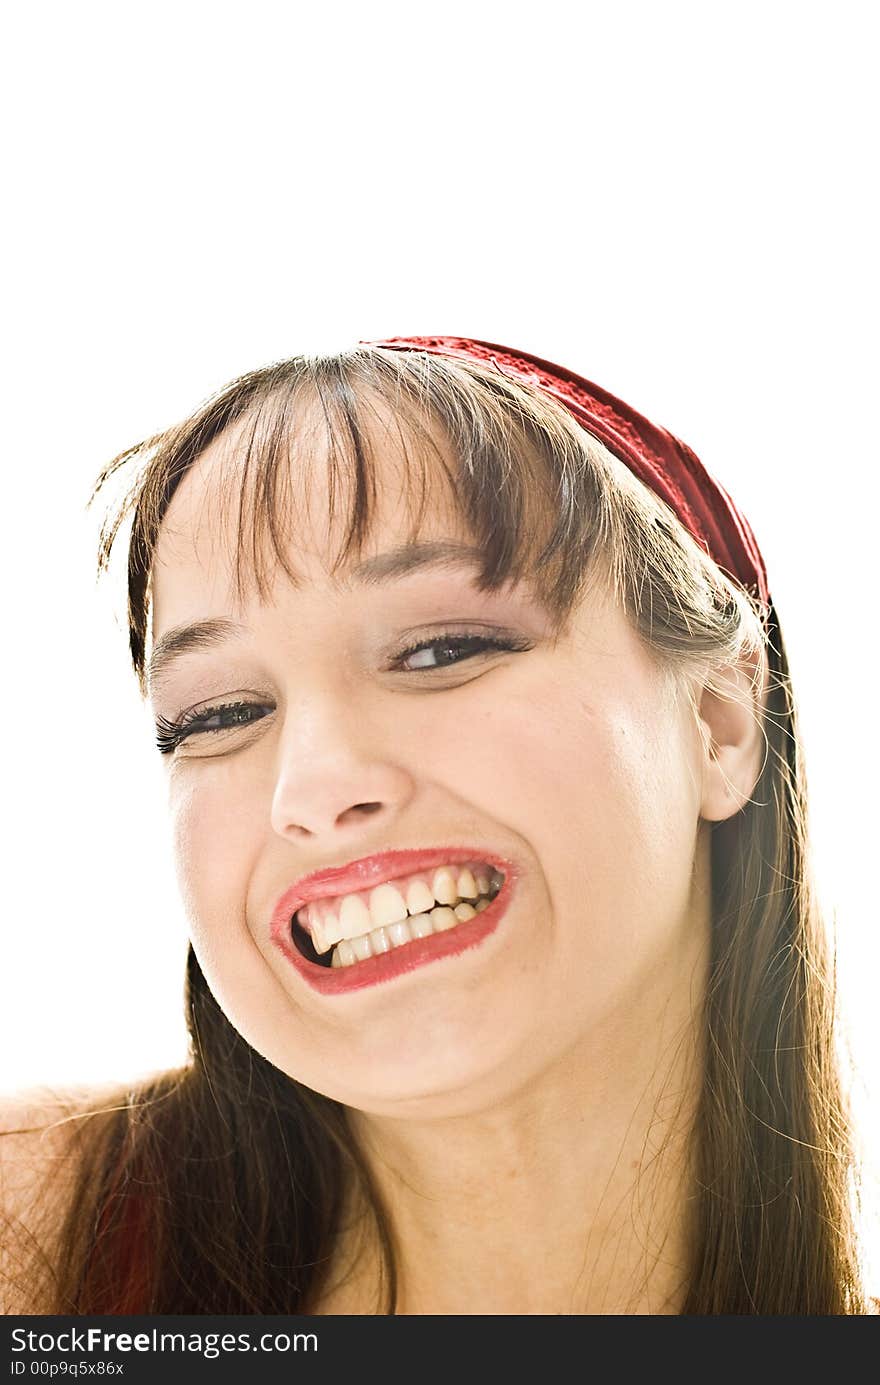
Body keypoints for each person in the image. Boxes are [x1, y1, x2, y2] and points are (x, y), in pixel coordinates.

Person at [0, 336, 872, 1314]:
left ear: (718, 719)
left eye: (440, 649)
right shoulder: (28, 1236)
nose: (315, 787)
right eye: (218, 714)